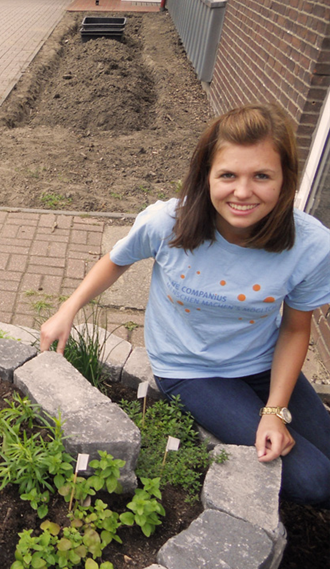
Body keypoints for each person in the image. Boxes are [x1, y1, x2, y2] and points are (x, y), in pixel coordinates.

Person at [40, 103, 330, 509]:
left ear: (286, 181)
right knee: (315, 480)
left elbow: (297, 329)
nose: (243, 192)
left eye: (262, 176)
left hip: (265, 365)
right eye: (228, 175)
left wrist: (276, 410)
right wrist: (67, 309)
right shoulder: (167, 223)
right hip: (191, 370)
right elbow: (116, 261)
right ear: (206, 176)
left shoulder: (311, 246)